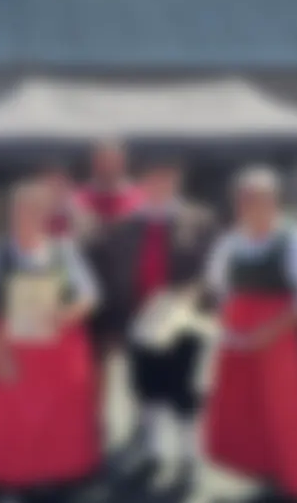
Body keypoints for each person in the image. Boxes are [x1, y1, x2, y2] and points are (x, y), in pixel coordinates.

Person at [202, 166, 297, 502]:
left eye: (259, 199)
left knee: (287, 413)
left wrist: (269, 331)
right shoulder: (232, 242)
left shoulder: (294, 240)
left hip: (280, 343)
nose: (251, 206)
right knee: (249, 411)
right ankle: (270, 474)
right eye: (245, 200)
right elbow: (217, 289)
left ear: (274, 202)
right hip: (238, 343)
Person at [98, 159, 215, 485]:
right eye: (152, 178)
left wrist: (192, 297)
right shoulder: (125, 225)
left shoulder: (199, 219)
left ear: (176, 180)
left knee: (184, 392)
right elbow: (114, 276)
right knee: (147, 390)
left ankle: (189, 458)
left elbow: (211, 270)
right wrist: (116, 323)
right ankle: (154, 454)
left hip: (183, 322)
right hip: (140, 322)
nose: (159, 185)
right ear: (143, 183)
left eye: (165, 178)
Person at [0, 180, 104, 497]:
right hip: (12, 352)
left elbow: (90, 296)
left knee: (61, 420)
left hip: (60, 355)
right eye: (21, 210)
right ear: (10, 213)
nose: (27, 216)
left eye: (35, 210)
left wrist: (67, 313)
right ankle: (13, 478)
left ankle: (59, 474)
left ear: (46, 215)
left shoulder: (63, 249)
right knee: (12, 420)